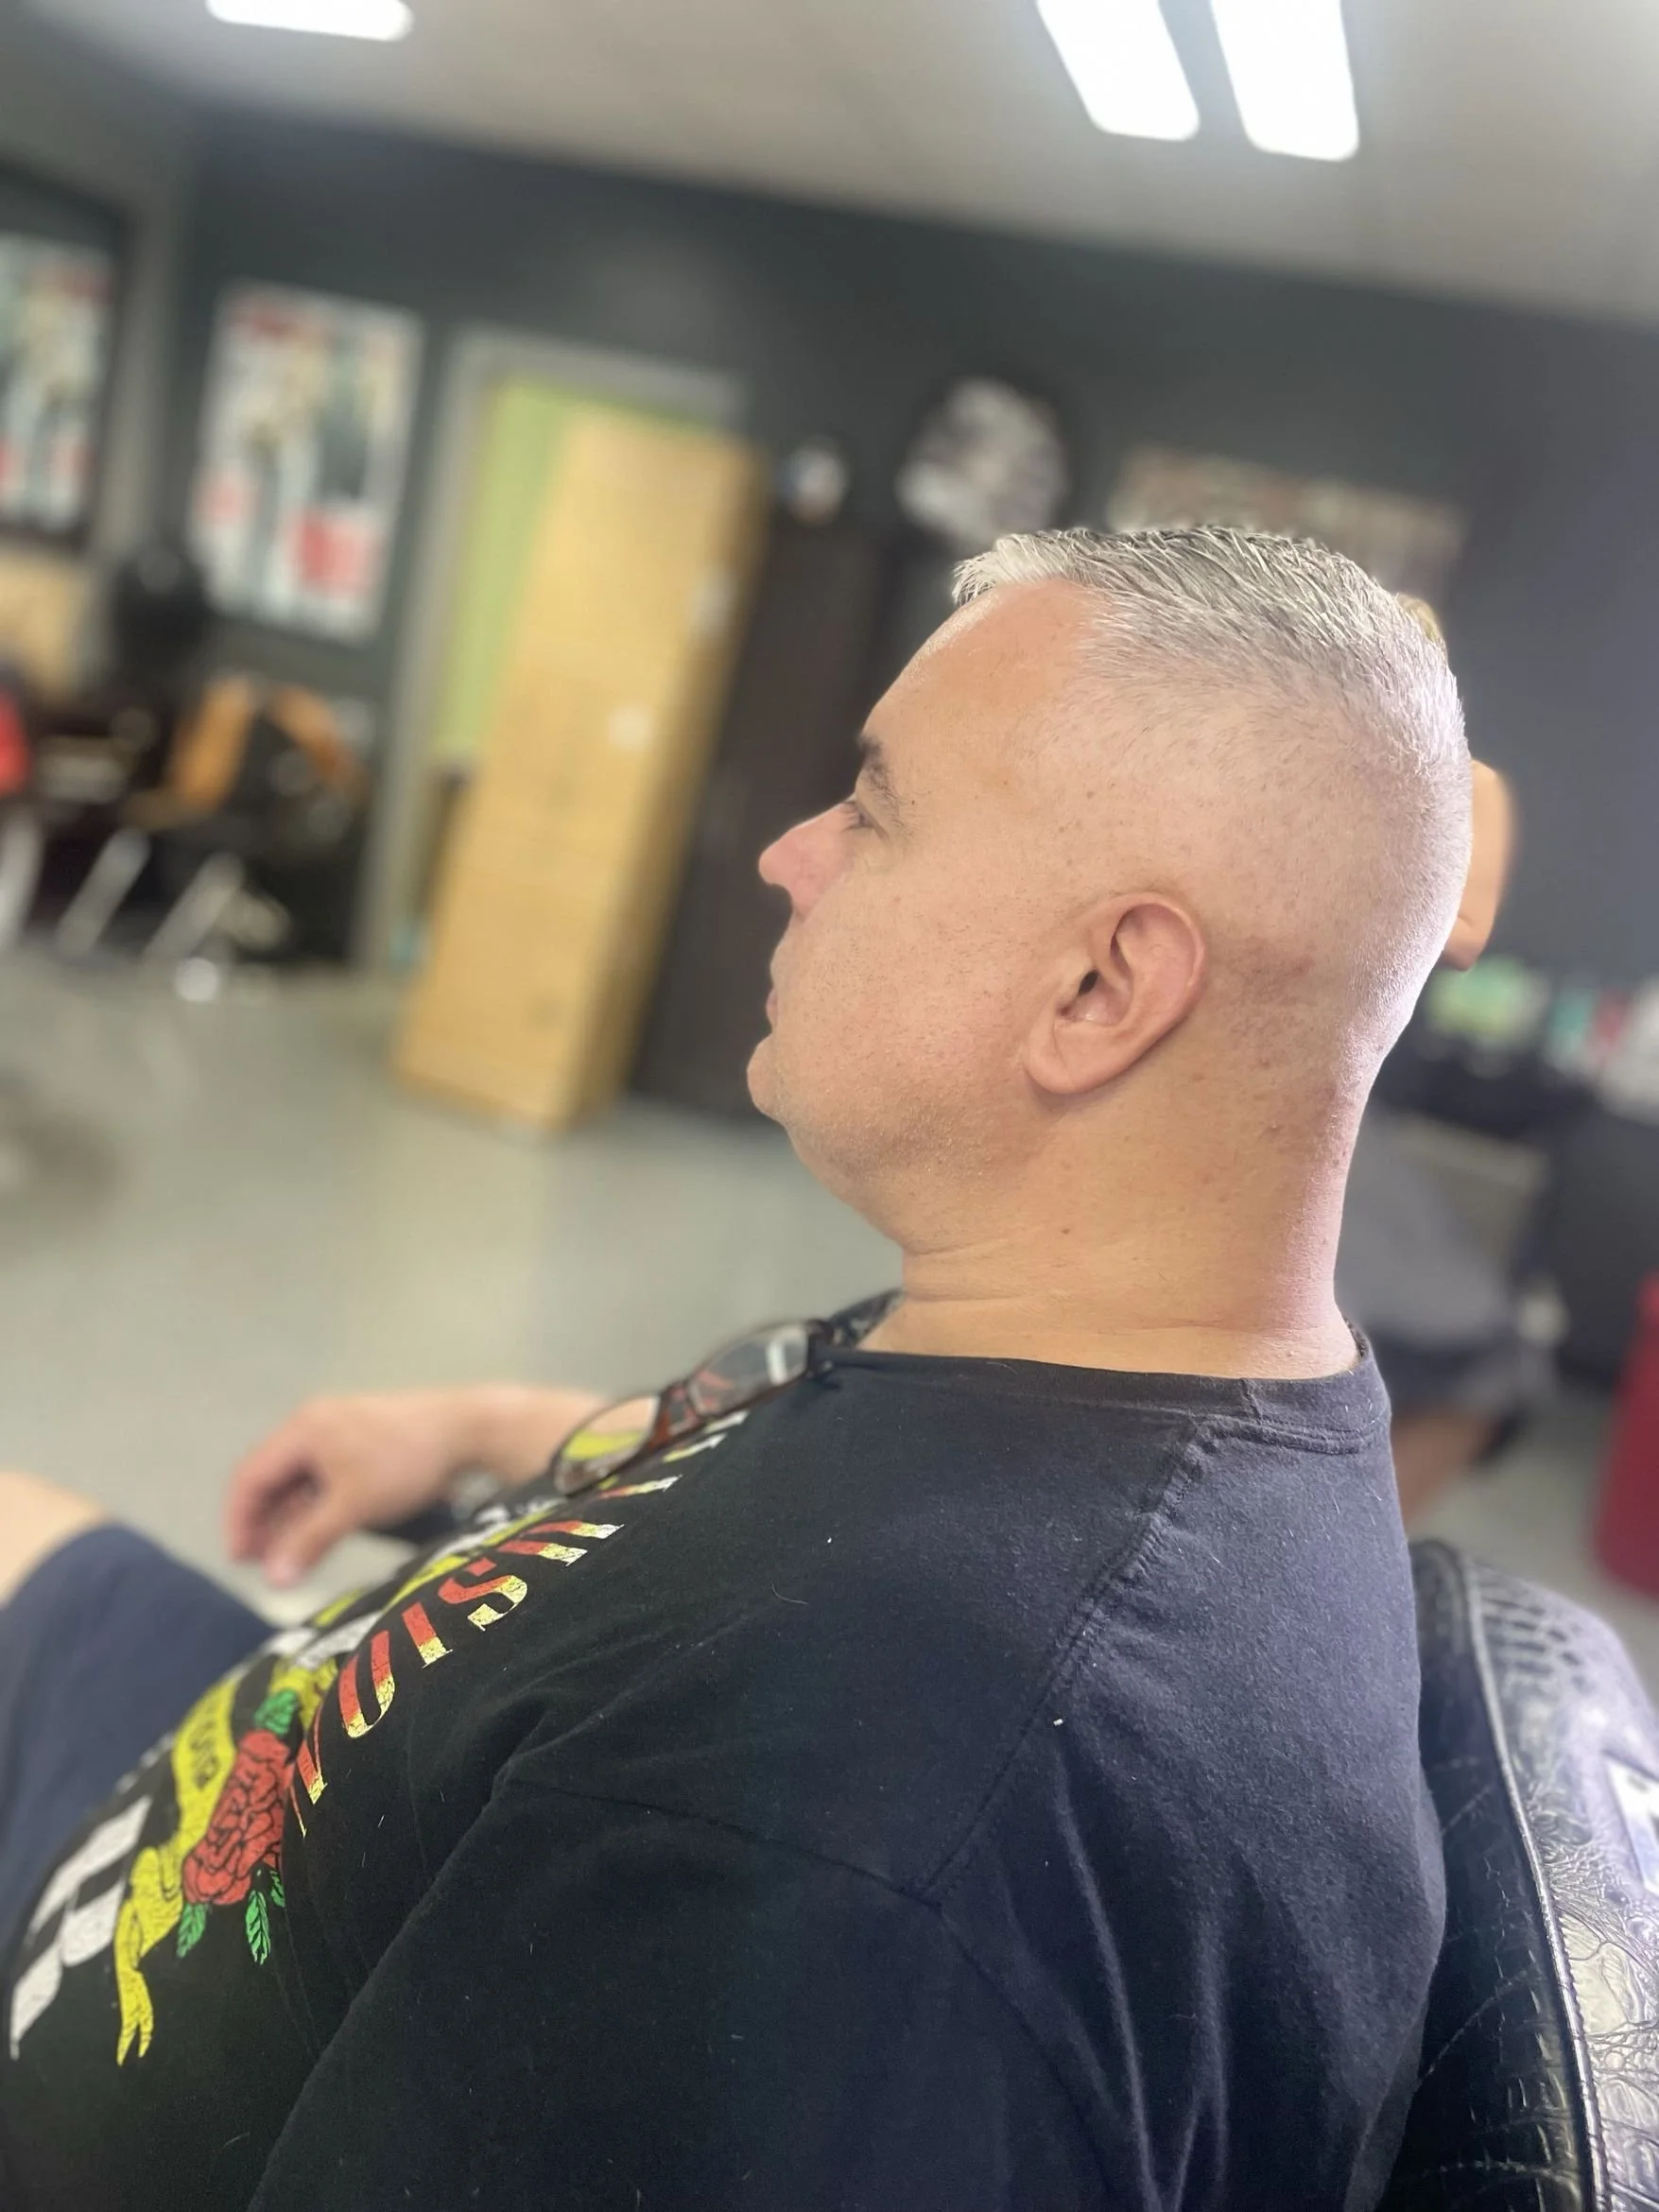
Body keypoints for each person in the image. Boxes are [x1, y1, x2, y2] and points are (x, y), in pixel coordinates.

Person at [0, 527, 1498, 2211]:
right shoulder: (1118, 1370)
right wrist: (486, 1432)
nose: (789, 855)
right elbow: (798, 1460)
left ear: (1099, 987)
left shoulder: (866, 1853)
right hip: (270, 1811)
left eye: (872, 809)